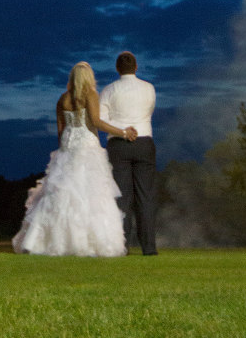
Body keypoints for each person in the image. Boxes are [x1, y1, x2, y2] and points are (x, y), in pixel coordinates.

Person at [12, 61, 137, 256]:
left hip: (68, 148)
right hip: (87, 146)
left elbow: (61, 130)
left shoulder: (63, 99)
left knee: (60, 194)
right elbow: (96, 122)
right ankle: (89, 243)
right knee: (91, 194)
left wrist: (65, 148)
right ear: (88, 77)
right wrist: (122, 132)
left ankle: (43, 241)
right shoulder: (91, 95)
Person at [100, 51, 157, 255]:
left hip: (119, 144)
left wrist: (124, 131)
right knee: (146, 196)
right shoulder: (149, 88)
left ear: (117, 68)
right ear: (136, 67)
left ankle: (122, 246)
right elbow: (149, 111)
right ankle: (149, 247)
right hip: (144, 141)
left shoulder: (108, 90)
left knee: (122, 197)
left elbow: (102, 121)